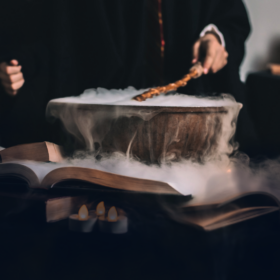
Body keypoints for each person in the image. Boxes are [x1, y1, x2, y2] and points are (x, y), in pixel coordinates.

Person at [0, 0, 252, 150]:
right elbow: (56, 31)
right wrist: (22, 66)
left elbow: (230, 16)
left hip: (195, 129)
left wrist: (217, 37)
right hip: (105, 130)